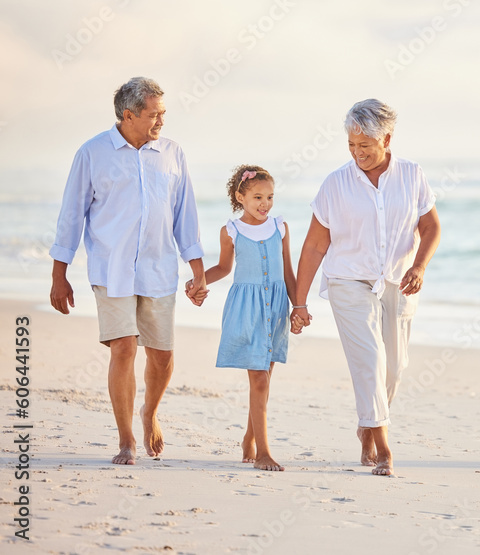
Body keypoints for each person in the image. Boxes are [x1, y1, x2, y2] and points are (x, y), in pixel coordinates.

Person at [49, 77, 207, 465]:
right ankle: (125, 440)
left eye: (163, 113)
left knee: (163, 357)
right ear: (128, 114)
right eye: (154, 114)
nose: (161, 121)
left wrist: (198, 272)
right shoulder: (93, 153)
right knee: (124, 348)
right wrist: (59, 274)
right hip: (111, 267)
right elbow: (72, 214)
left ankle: (149, 412)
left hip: (159, 268)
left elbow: (186, 216)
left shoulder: (172, 154)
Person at [292, 99, 441, 477]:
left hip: (399, 280)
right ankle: (383, 447)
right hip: (348, 280)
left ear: (387, 138)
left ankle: (367, 424)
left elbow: (431, 228)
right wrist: (300, 302)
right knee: (370, 361)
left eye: (366, 146)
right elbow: (314, 246)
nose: (358, 153)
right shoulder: (335, 184)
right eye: (352, 146)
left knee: (394, 368)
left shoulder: (411, 175)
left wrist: (420, 266)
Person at [186, 166, 298, 472]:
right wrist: (199, 280)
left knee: (265, 378)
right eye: (258, 197)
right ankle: (263, 451)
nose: (265, 204)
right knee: (259, 378)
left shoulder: (280, 227)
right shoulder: (231, 231)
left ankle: (249, 437)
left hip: (275, 308)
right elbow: (223, 268)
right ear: (241, 197)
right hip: (247, 309)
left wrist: (298, 306)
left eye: (270, 197)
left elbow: (288, 272)